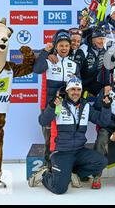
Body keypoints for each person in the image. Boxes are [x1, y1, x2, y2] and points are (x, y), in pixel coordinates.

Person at [28, 77, 113, 194]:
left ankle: (73, 174)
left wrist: (106, 107)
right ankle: (44, 175)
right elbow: (43, 121)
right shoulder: (59, 104)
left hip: (79, 151)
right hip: (61, 152)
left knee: (101, 161)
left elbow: (103, 121)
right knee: (60, 189)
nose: (76, 92)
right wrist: (51, 106)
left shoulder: (86, 106)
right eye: (72, 89)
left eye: (78, 89)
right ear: (67, 90)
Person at [33, 31, 80, 168]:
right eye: (61, 46)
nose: (64, 48)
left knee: (64, 138)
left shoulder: (74, 64)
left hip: (67, 108)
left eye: (66, 45)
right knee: (49, 139)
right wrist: (45, 52)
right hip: (51, 107)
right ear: (56, 47)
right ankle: (49, 168)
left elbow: (78, 84)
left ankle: (64, 167)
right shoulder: (50, 60)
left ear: (70, 47)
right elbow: (36, 69)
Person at [79, 27, 109, 97]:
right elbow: (76, 69)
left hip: (92, 83)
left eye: (103, 39)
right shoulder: (84, 49)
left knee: (107, 93)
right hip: (80, 84)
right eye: (100, 39)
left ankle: (98, 108)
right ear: (93, 39)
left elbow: (106, 69)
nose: (102, 41)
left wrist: (107, 84)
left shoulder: (103, 50)